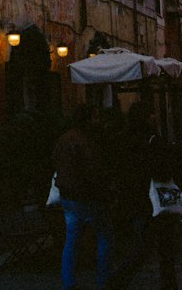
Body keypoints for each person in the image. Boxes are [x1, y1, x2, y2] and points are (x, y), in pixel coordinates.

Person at [53, 103, 114, 290]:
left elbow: (55, 160)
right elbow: (93, 170)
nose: (98, 120)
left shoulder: (63, 139)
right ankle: (104, 281)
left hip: (67, 195)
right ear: (87, 119)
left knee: (71, 240)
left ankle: (68, 283)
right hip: (86, 195)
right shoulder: (87, 140)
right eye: (95, 117)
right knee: (105, 235)